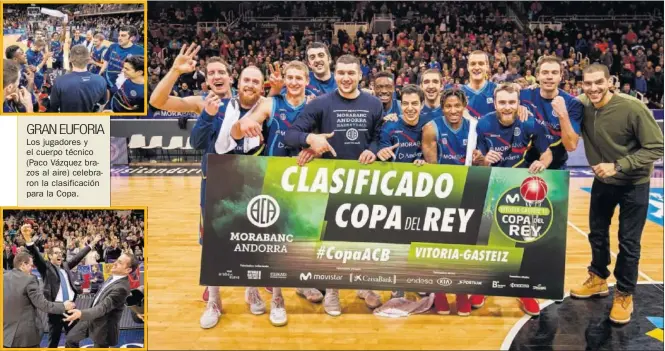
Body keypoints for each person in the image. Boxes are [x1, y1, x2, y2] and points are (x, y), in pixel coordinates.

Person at [285, 54, 384, 316]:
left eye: (351, 73)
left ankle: (363, 285)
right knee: (331, 240)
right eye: (341, 73)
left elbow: (379, 137)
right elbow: (290, 134)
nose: (346, 78)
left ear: (360, 75)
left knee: (363, 240)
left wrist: (373, 150)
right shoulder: (321, 103)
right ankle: (333, 291)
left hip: (365, 180)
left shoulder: (373, 104)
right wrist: (310, 138)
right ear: (335, 73)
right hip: (330, 181)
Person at [570, 64, 664, 324]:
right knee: (597, 233)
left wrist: (619, 165)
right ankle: (598, 278)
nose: (593, 88)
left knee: (629, 242)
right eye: (587, 84)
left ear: (610, 81)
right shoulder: (583, 105)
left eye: (598, 82)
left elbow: (657, 146)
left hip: (634, 182)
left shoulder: (632, 107)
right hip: (603, 181)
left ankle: (624, 293)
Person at [230, 60, 312, 326]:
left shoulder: (316, 105)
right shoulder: (270, 104)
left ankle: (278, 294)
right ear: (284, 80)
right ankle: (261, 291)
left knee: (288, 240)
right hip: (269, 177)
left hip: (301, 179)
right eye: (290, 77)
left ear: (307, 81)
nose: (295, 82)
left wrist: (315, 146)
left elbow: (325, 137)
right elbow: (240, 129)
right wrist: (243, 125)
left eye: (299, 77)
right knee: (261, 237)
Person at [192, 65, 264, 329]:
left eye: (256, 81)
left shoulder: (267, 108)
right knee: (213, 243)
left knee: (252, 239)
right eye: (247, 79)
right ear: (239, 81)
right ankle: (214, 299)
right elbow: (197, 144)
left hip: (251, 183)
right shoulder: (218, 106)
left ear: (262, 85)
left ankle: (251, 288)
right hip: (215, 182)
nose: (250, 84)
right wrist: (207, 117)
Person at [474, 83, 552, 316]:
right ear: (495, 103)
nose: (507, 107)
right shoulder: (484, 124)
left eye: (511, 102)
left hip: (522, 188)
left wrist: (542, 162)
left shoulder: (530, 122)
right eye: (502, 102)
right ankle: (484, 285)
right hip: (493, 185)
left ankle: (525, 290)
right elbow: (476, 159)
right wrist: (485, 159)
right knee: (489, 240)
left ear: (518, 102)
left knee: (523, 240)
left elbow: (547, 152)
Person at [21, 224, 100, 348]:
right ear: (50, 256)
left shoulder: (66, 266)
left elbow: (79, 257)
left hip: (71, 308)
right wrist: (28, 240)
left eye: (61, 253)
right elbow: (36, 255)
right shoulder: (46, 267)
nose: (60, 255)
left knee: (73, 339)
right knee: (54, 341)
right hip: (56, 309)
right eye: (56, 253)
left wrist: (92, 243)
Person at [520, 56, 584, 169]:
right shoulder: (523, 96)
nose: (549, 77)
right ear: (538, 75)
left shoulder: (573, 103)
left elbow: (571, 146)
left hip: (556, 168)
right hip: (524, 165)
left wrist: (563, 115)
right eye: (545, 72)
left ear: (561, 77)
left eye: (554, 73)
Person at [63, 253, 137, 348]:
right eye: (117, 260)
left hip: (103, 327)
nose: (114, 263)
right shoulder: (113, 276)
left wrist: (80, 313)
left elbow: (102, 308)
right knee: (71, 339)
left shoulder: (122, 288)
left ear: (128, 270)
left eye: (119, 263)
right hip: (90, 319)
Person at [4, 252, 75, 348]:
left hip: (5, 336)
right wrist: (64, 306)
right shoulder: (29, 280)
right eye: (30, 265)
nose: (32, 268)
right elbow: (43, 304)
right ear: (23, 265)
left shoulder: (4, 277)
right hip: (25, 338)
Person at [49, 45, 107, 112]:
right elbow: (102, 101)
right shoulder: (101, 80)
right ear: (88, 60)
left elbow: (54, 106)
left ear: (70, 60)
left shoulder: (60, 81)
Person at [99, 26, 144, 94]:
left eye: (123, 35)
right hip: (106, 81)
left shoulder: (140, 51)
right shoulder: (112, 46)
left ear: (132, 38)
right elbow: (106, 61)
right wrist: (100, 74)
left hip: (122, 86)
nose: (119, 38)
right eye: (119, 35)